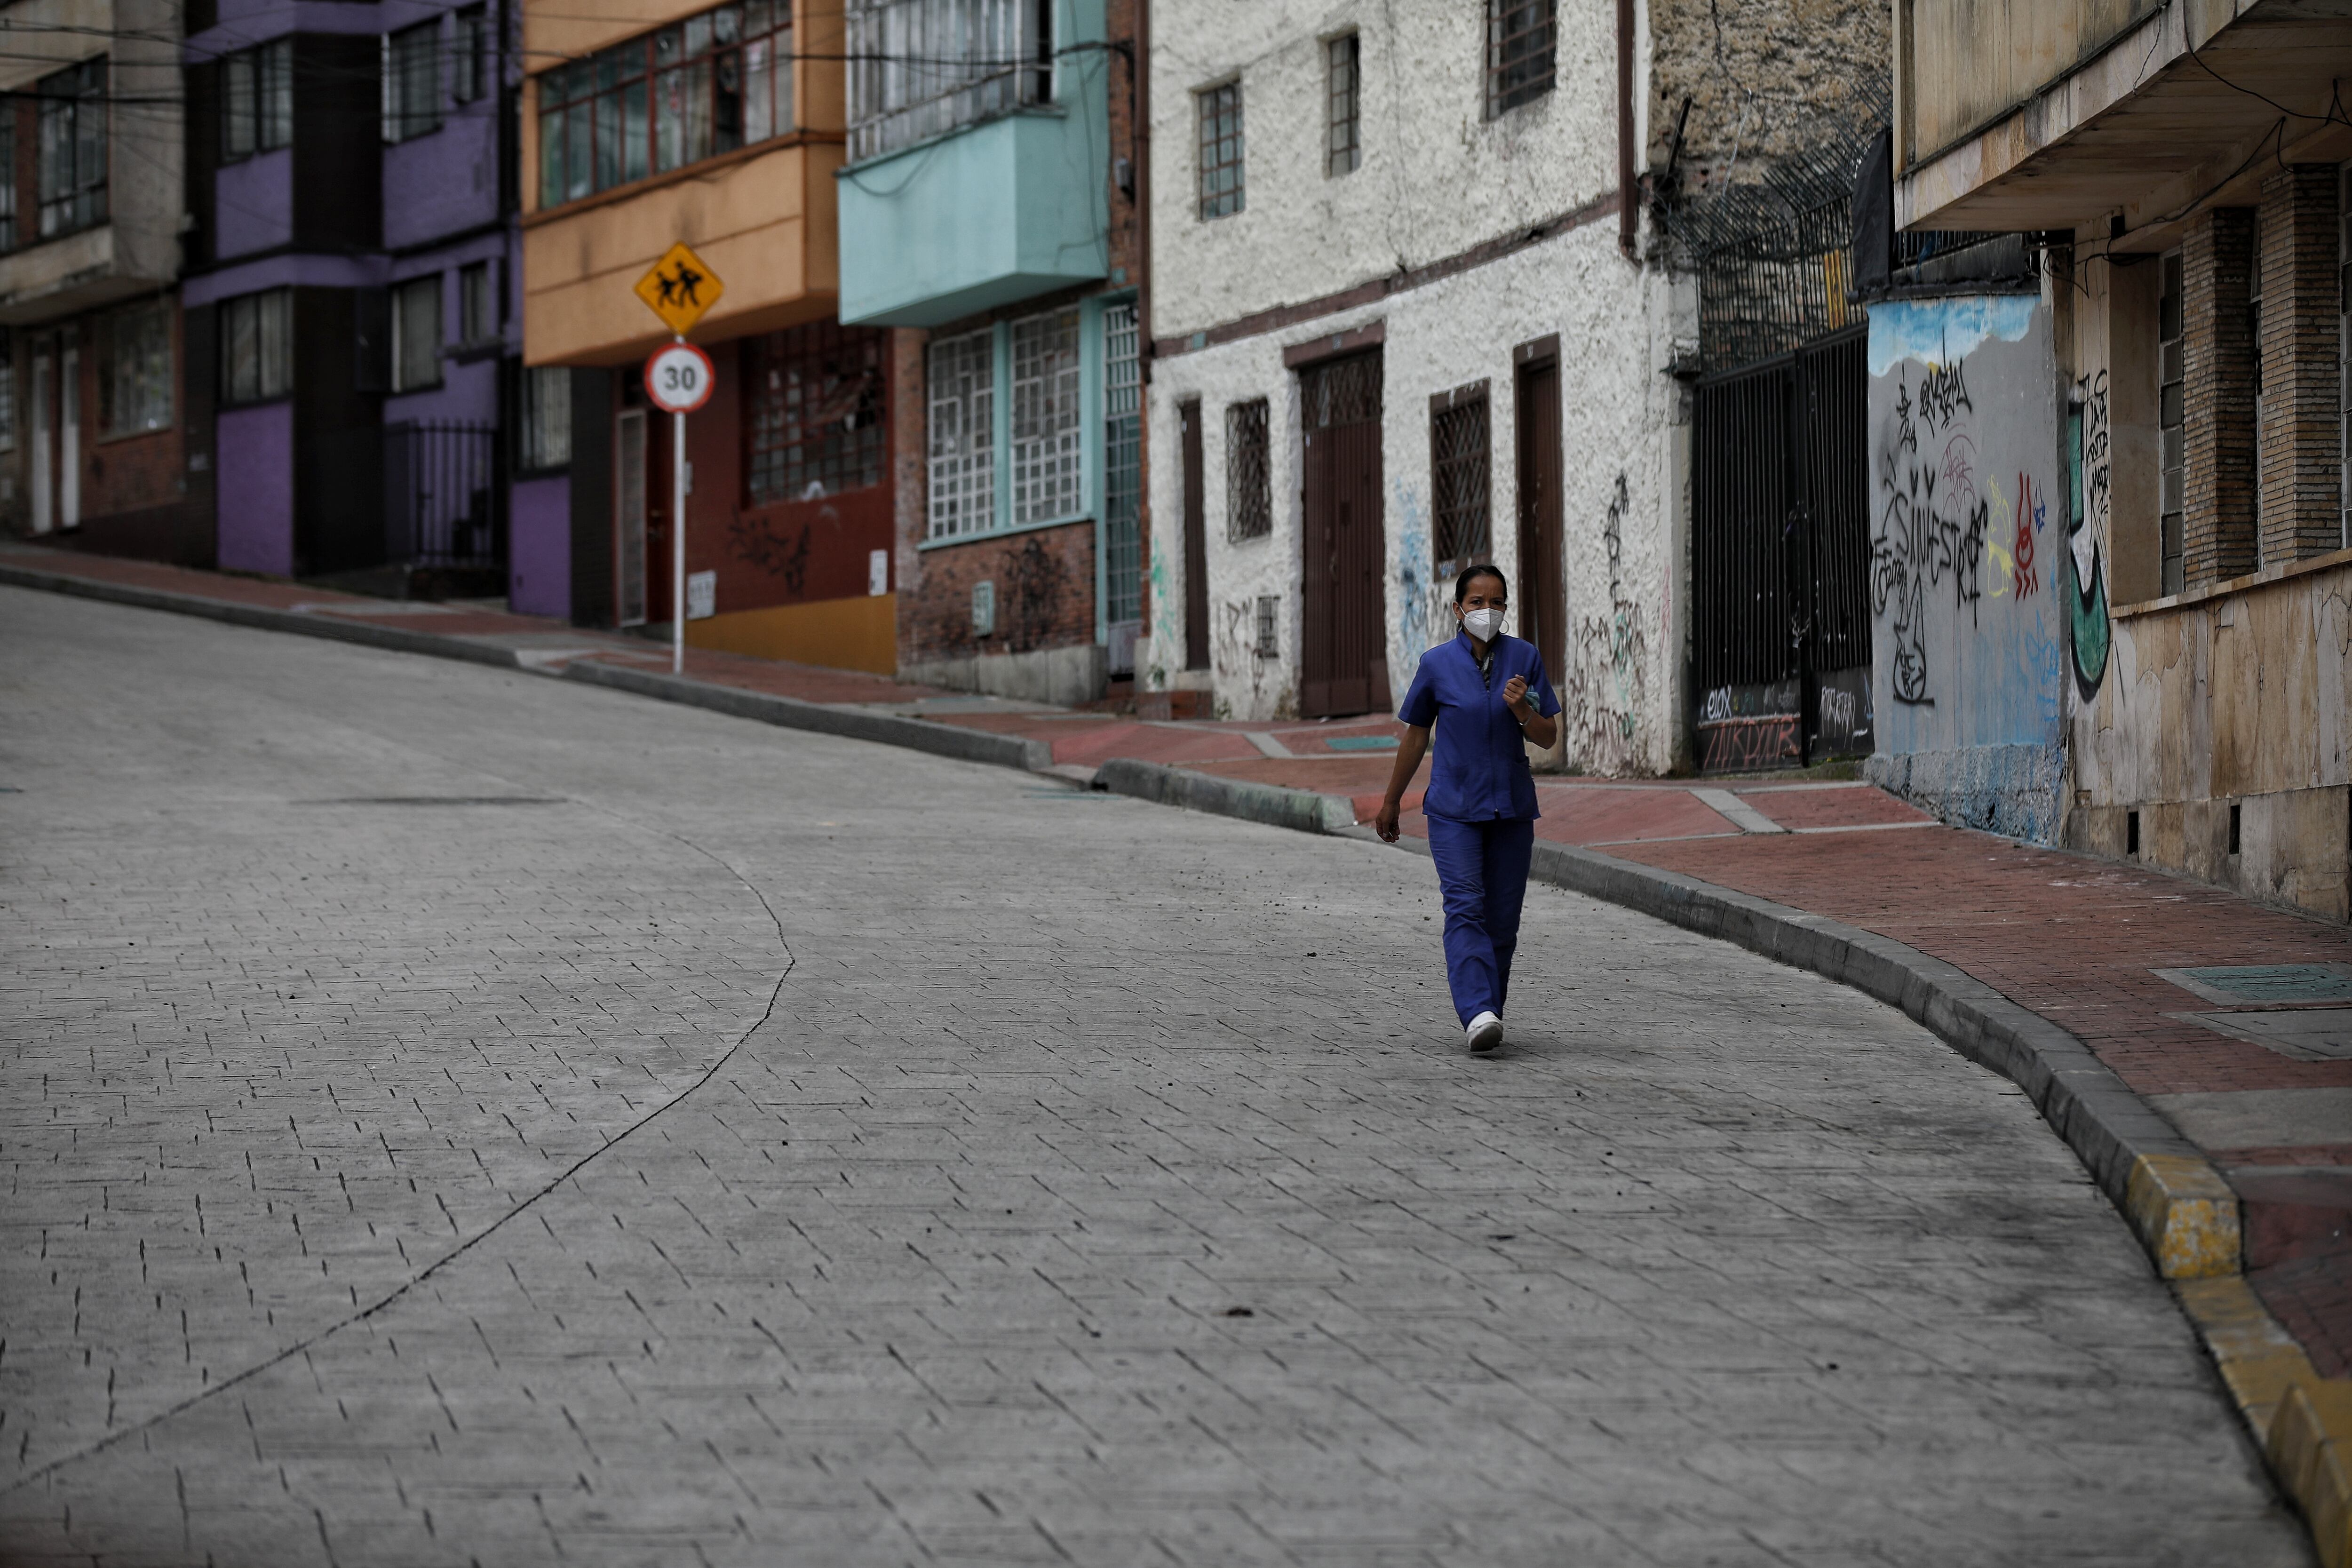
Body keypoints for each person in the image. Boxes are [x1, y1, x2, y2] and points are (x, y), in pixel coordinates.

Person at [1374, 565, 1561, 1054]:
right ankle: (1476, 1010)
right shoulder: (1436, 664)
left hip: (1511, 812)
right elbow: (1416, 734)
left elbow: (1548, 736)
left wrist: (1523, 709)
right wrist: (1393, 799)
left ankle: (1488, 1009)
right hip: (1453, 811)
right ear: (1457, 609)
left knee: (1502, 922)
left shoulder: (1524, 659)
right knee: (1464, 907)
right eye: (1476, 601)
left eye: (1496, 601)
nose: (1486, 610)